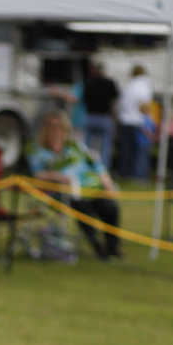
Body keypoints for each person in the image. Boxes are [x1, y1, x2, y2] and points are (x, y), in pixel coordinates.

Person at [26, 109, 122, 260]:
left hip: (91, 188)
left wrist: (106, 181)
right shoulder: (38, 151)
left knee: (110, 207)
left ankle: (113, 246)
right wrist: (57, 176)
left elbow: (96, 165)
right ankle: (96, 245)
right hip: (63, 193)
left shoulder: (75, 146)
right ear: (45, 130)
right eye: (52, 127)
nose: (57, 131)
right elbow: (37, 174)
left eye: (60, 128)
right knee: (83, 209)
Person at [117, 65, 154, 179]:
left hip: (125, 120)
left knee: (126, 150)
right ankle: (139, 175)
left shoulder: (128, 85)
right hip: (138, 121)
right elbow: (144, 106)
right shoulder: (143, 85)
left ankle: (124, 173)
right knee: (140, 151)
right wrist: (148, 121)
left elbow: (121, 104)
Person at [83, 60, 119, 171]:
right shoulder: (109, 83)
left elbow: (83, 100)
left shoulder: (89, 83)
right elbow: (114, 101)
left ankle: (86, 167)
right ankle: (103, 170)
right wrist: (114, 116)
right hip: (105, 118)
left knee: (87, 146)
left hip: (90, 116)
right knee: (105, 148)